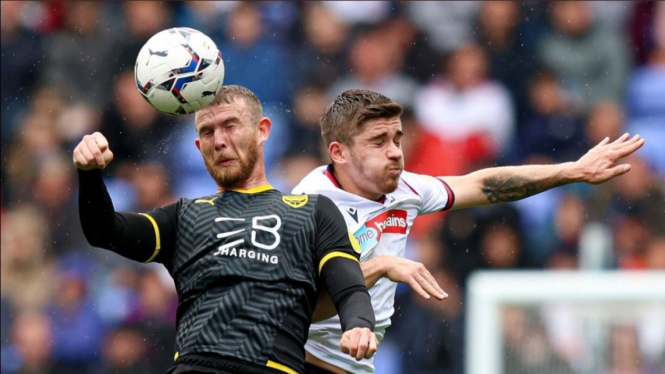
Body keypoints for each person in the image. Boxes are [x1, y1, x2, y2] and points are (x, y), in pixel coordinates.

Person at [293, 89, 645, 374]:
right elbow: (301, 309)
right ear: (338, 152)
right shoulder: (309, 207)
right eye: (378, 141)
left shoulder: (404, 189)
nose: (395, 153)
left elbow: (485, 186)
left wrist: (570, 170)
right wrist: (380, 267)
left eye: (397, 139)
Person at [73, 85, 378, 374]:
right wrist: (89, 175)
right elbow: (103, 231)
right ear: (198, 147)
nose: (218, 140)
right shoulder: (184, 217)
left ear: (262, 131)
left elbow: (348, 285)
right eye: (207, 132)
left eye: (230, 126)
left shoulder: (314, 212)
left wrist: (359, 324)